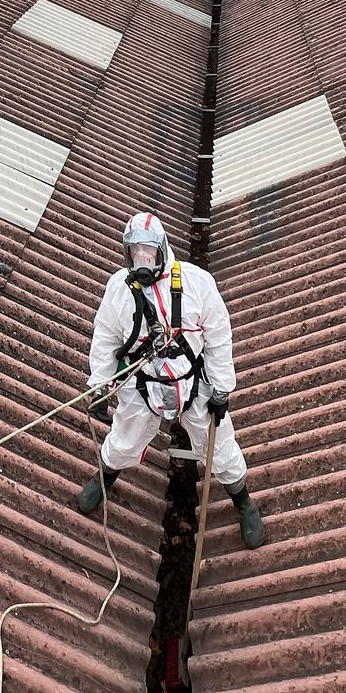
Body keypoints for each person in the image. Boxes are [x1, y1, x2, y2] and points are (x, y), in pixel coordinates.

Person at [77, 211, 265, 549]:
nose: (143, 260)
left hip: (193, 384)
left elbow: (219, 336)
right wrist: (100, 384)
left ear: (162, 249)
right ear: (127, 254)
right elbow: (105, 337)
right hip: (144, 384)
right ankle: (103, 479)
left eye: (149, 252)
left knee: (220, 451)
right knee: (122, 442)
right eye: (135, 253)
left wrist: (222, 388)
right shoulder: (119, 290)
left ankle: (243, 503)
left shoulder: (197, 283)